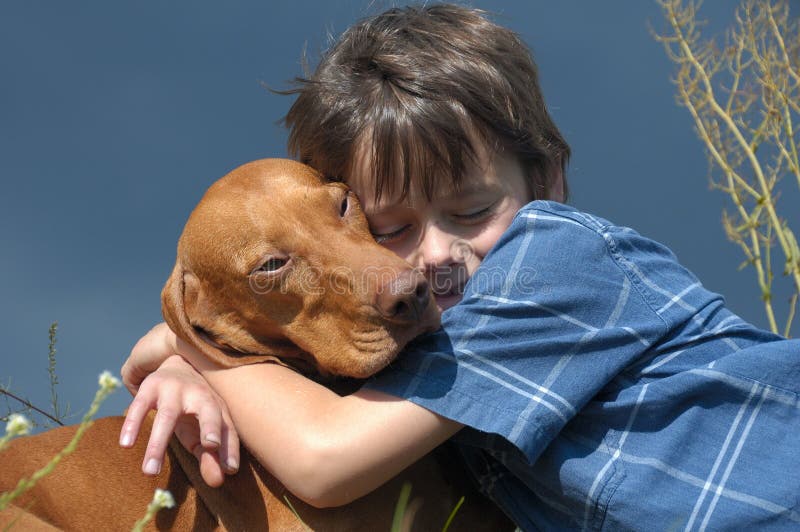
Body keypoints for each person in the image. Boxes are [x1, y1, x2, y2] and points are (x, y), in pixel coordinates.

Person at [120, 4, 800, 530]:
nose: (437, 253)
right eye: (391, 228)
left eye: (472, 210)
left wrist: (193, 349)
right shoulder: (433, 354)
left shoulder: (551, 263)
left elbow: (325, 458)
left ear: (549, 179)